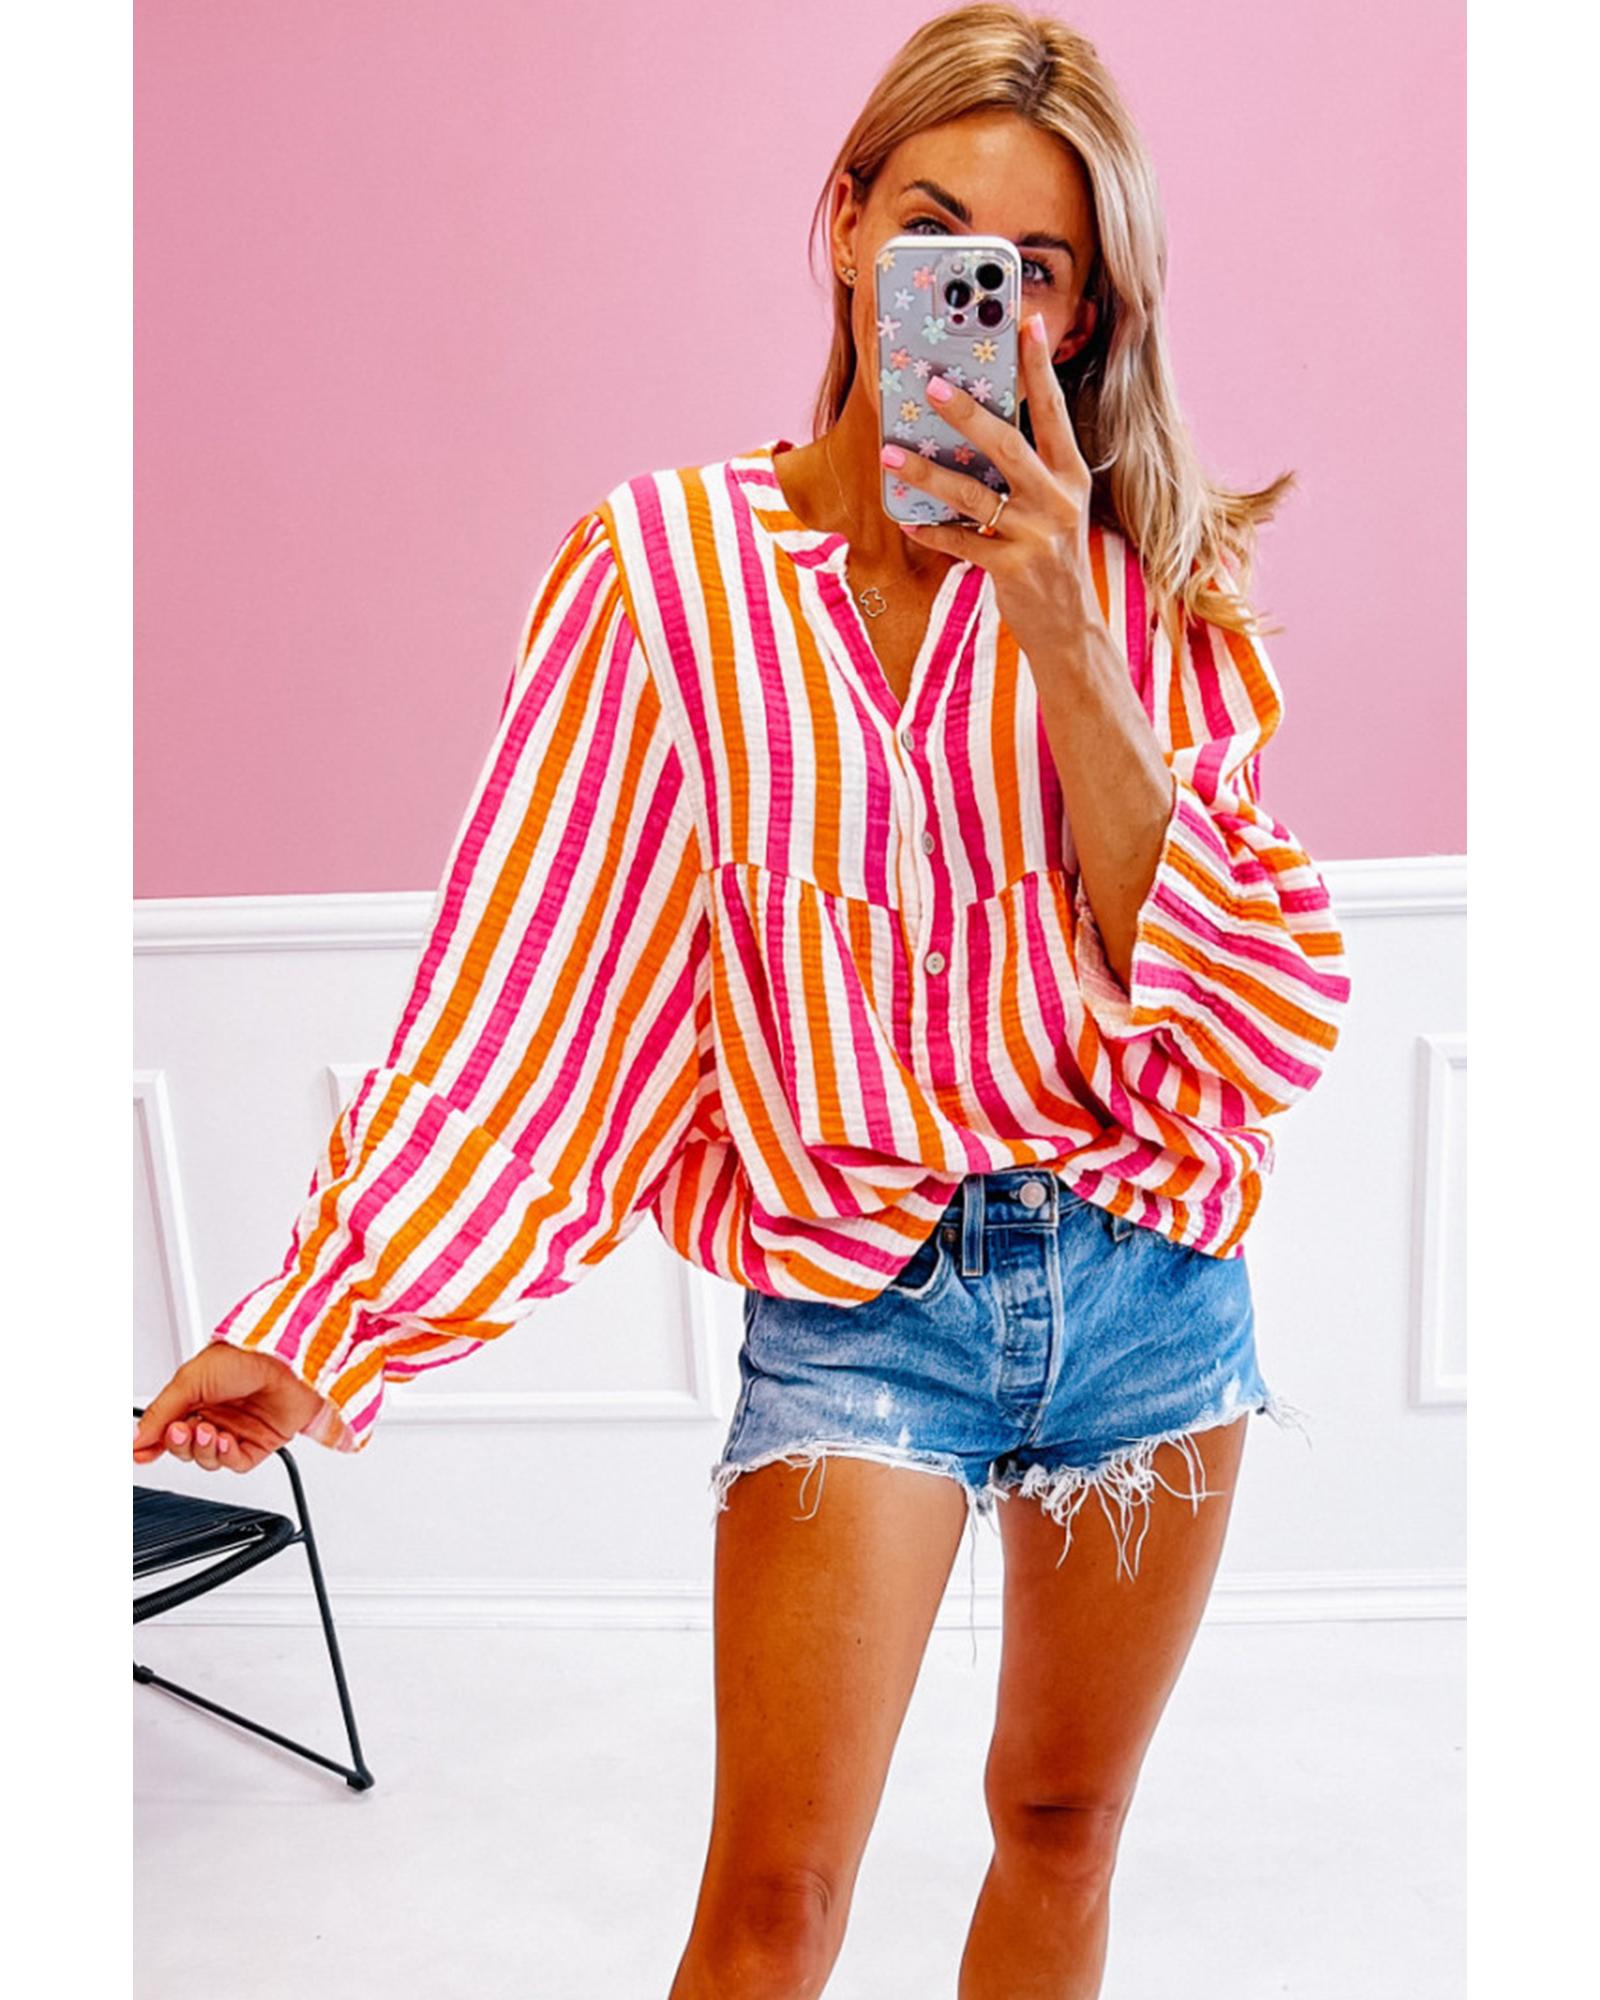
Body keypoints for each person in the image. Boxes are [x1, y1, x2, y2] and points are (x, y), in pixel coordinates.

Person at [133, 7, 1353, 1994]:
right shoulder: (663, 575)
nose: (973, 289)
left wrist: (1061, 625)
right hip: (862, 1300)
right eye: (933, 229)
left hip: (1149, 1282)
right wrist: (317, 1325)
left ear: (1079, 318)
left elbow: (1257, 1022)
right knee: (773, 1902)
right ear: (847, 220)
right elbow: (522, 1014)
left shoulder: (1139, 585)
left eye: (1032, 267)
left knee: (1061, 1826)